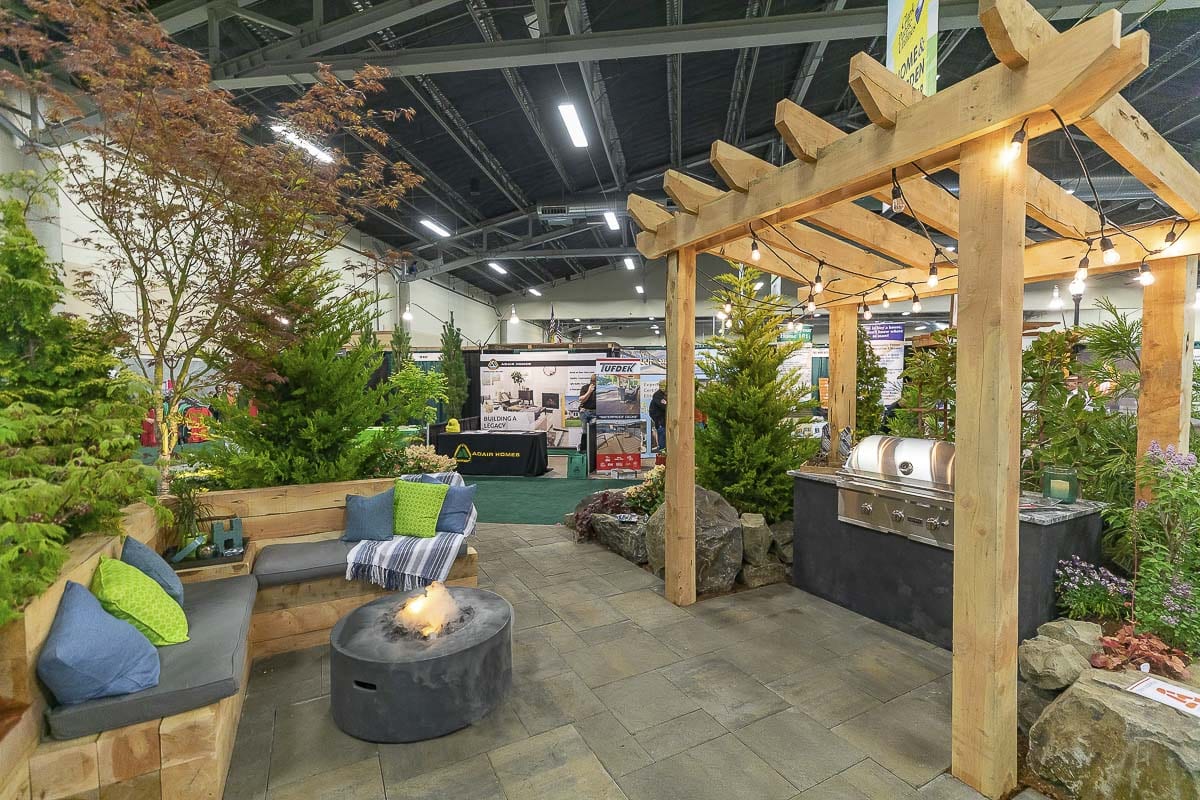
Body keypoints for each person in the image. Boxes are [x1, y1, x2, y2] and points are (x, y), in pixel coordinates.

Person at [577, 374, 597, 453]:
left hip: (595, 412)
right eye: (593, 381)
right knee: (585, 431)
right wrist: (589, 391)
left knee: (593, 431)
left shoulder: (599, 389)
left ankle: (593, 450)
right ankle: (583, 449)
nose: (594, 383)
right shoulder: (585, 387)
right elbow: (581, 400)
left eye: (595, 381)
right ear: (591, 381)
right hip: (585, 412)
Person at [648, 381, 667, 452]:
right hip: (660, 420)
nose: (663, 388)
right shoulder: (657, 395)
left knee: (663, 435)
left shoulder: (666, 394)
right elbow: (664, 406)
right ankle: (662, 452)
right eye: (662, 386)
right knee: (662, 436)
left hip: (663, 420)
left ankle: (663, 451)